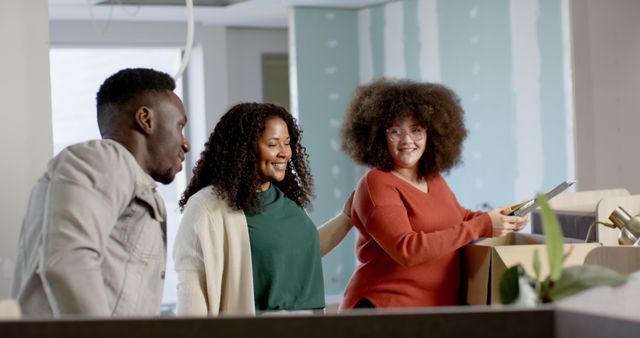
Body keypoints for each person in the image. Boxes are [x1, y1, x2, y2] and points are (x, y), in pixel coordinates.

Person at [10, 68, 190, 317]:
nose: (185, 143)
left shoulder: (127, 177)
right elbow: (68, 262)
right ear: (146, 120)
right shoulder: (104, 159)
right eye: (180, 126)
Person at [338, 78, 528, 309]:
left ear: (431, 133)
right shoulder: (376, 184)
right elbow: (407, 250)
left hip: (433, 310)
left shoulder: (433, 178)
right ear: (378, 136)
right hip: (385, 311)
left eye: (416, 130)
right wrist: (483, 225)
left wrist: (505, 217)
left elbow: (462, 218)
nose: (407, 140)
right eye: (395, 131)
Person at [173, 102, 353, 316]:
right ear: (246, 148)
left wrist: (347, 217)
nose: (285, 153)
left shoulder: (287, 202)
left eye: (287, 143)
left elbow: (302, 250)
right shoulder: (207, 206)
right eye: (273, 144)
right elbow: (191, 285)